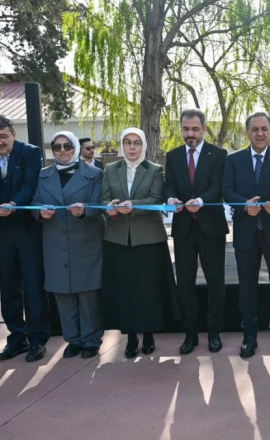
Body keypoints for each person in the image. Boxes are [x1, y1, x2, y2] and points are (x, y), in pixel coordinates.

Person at [101, 128, 177, 359]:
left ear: (143, 145)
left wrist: (130, 204)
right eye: (127, 143)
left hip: (148, 240)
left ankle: (149, 333)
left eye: (136, 143)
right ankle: (131, 336)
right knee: (125, 290)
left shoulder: (155, 169)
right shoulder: (110, 169)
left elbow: (156, 199)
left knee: (148, 289)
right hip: (118, 239)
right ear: (122, 145)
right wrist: (111, 207)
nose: (132, 147)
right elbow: (103, 198)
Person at [222, 112, 270, 358]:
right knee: (247, 289)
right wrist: (244, 205)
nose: (260, 133)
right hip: (245, 233)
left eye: (264, 129)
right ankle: (249, 336)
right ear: (247, 132)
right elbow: (227, 190)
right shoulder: (233, 160)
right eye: (255, 129)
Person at [0, 115, 49, 363]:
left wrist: (13, 203)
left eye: (3, 136)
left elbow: (30, 184)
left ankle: (38, 339)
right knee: (9, 287)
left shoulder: (30, 153)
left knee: (33, 285)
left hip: (28, 230)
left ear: (13, 134)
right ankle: (17, 337)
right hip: (0, 231)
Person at [33, 131, 105, 359]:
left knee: (88, 294)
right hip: (54, 241)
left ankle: (92, 339)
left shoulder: (94, 174)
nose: (63, 151)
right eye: (57, 147)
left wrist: (86, 210)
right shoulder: (43, 175)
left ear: (75, 146)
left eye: (67, 146)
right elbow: (33, 202)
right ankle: (72, 339)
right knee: (63, 294)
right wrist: (39, 213)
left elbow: (101, 203)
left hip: (85, 241)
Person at [164, 109, 229, 355]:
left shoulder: (219, 154)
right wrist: (170, 197)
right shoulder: (173, 156)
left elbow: (218, 187)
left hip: (211, 228)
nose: (189, 134)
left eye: (194, 129)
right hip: (183, 230)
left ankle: (214, 333)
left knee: (215, 283)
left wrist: (201, 201)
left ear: (204, 129)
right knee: (185, 285)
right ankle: (190, 334)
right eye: (185, 129)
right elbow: (169, 184)